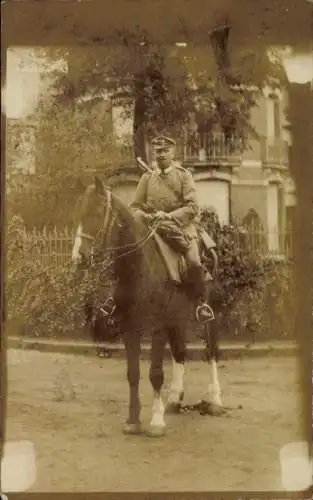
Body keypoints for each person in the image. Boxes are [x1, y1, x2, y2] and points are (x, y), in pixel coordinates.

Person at [129, 134, 214, 323]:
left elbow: (192, 207)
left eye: (165, 151)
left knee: (193, 260)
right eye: (157, 151)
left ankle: (201, 304)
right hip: (153, 228)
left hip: (181, 227)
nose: (160, 155)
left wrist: (168, 215)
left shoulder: (184, 176)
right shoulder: (146, 178)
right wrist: (144, 216)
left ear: (172, 153)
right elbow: (134, 207)